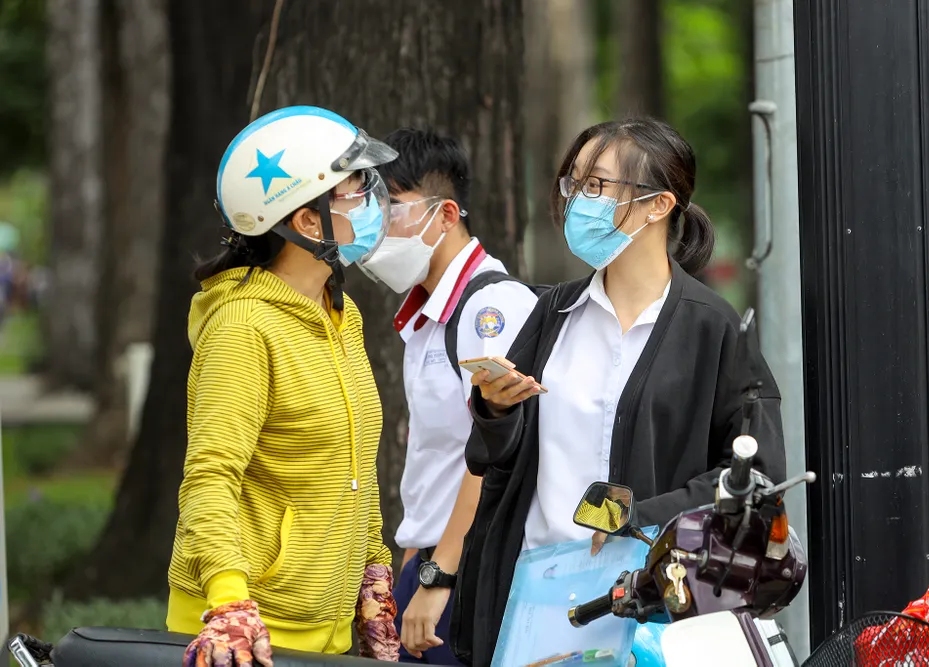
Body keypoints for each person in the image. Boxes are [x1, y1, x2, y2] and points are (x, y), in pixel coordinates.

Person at [450, 117, 787, 667]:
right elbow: (494, 459)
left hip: (650, 606)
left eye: (597, 185)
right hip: (537, 591)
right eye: (575, 182)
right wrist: (495, 408)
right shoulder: (554, 311)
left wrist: (638, 515)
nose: (578, 200)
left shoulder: (713, 329)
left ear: (659, 205)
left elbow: (757, 479)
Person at [166, 105, 401, 666]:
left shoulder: (339, 313)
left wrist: (373, 573)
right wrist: (229, 602)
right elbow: (210, 475)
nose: (373, 204)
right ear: (308, 222)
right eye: (355, 192)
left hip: (325, 622)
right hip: (244, 629)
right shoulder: (243, 327)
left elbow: (354, 465)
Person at [358, 128, 538, 664]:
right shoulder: (428, 315)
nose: (376, 226)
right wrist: (413, 561)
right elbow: (435, 457)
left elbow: (497, 452)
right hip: (431, 564)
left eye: (391, 208)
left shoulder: (491, 309)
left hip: (467, 572)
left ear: (446, 214)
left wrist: (439, 576)